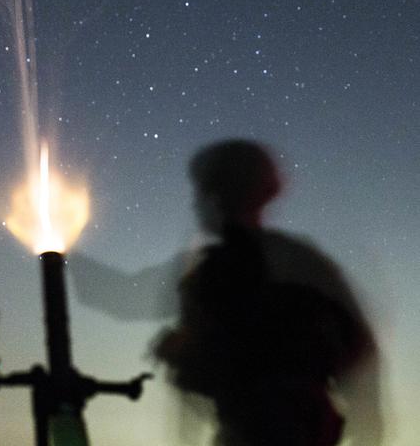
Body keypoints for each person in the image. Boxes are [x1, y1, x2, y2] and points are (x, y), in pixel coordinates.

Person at [73, 139, 382, 446]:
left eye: (201, 193)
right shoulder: (293, 260)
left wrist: (191, 350)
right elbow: (127, 295)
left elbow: (258, 352)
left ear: (219, 196)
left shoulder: (236, 267)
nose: (195, 204)